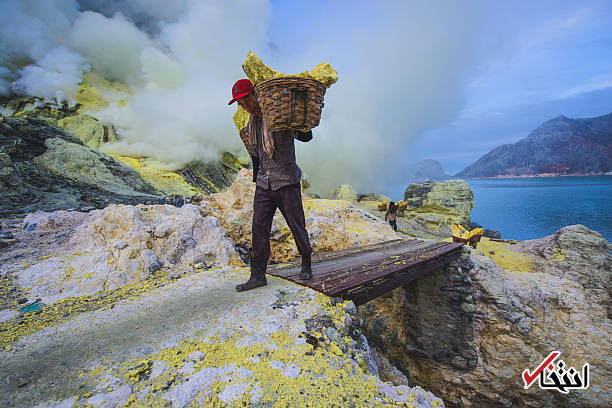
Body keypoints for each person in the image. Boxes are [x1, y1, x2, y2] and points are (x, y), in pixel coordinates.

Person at [228, 78, 314, 292]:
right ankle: (257, 275)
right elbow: (256, 154)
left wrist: (303, 125)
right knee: (258, 228)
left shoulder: (278, 115)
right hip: (265, 184)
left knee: (296, 225)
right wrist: (258, 178)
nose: (244, 105)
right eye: (240, 103)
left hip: (286, 181)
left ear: (256, 96)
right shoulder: (252, 124)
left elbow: (306, 137)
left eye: (246, 100)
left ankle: (306, 263)